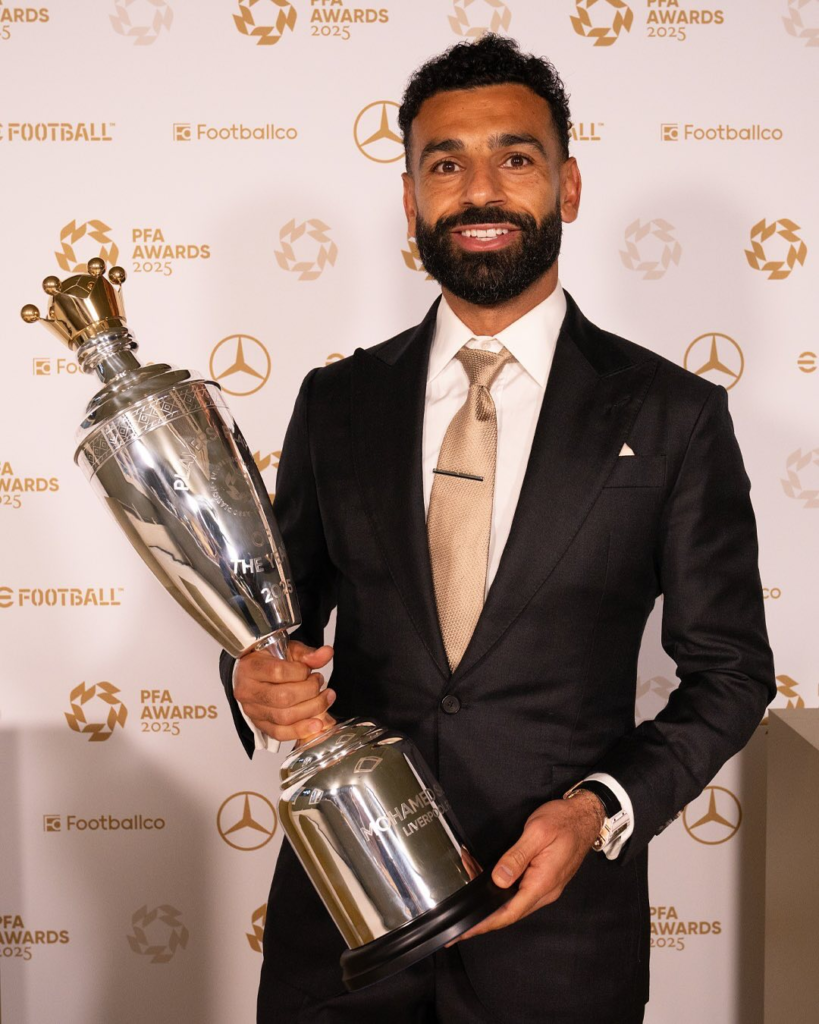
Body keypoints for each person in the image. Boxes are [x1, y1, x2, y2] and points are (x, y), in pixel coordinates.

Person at [219, 34, 775, 1024]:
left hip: (560, 937)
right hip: (343, 921)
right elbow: (276, 621)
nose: (480, 190)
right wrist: (251, 673)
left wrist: (598, 809)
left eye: (514, 158)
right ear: (410, 202)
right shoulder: (336, 401)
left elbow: (730, 672)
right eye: (446, 165)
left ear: (567, 186)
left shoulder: (674, 415)